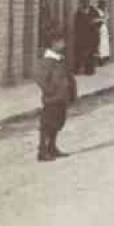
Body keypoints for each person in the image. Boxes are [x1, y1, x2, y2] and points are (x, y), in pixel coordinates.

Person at [35, 25, 77, 161]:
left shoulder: (59, 58)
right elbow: (40, 77)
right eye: (61, 41)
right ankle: (42, 151)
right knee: (47, 124)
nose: (63, 44)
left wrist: (70, 90)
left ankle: (52, 147)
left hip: (61, 97)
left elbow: (66, 76)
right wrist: (50, 91)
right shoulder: (48, 60)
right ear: (54, 43)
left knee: (58, 122)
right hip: (52, 98)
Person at [73, 0, 101, 75]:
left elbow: (99, 22)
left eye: (86, 1)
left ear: (88, 2)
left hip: (92, 36)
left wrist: (95, 24)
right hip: (82, 36)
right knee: (79, 53)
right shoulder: (79, 12)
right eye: (83, 2)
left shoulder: (93, 11)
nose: (85, 3)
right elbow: (76, 24)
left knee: (91, 54)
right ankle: (77, 69)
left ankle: (89, 70)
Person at [96, 0, 111, 67]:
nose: (104, 7)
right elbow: (98, 20)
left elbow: (106, 19)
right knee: (101, 45)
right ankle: (100, 60)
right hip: (100, 29)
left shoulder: (105, 12)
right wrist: (102, 19)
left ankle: (105, 59)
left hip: (104, 29)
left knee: (105, 45)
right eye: (103, 5)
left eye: (105, 5)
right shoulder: (97, 11)